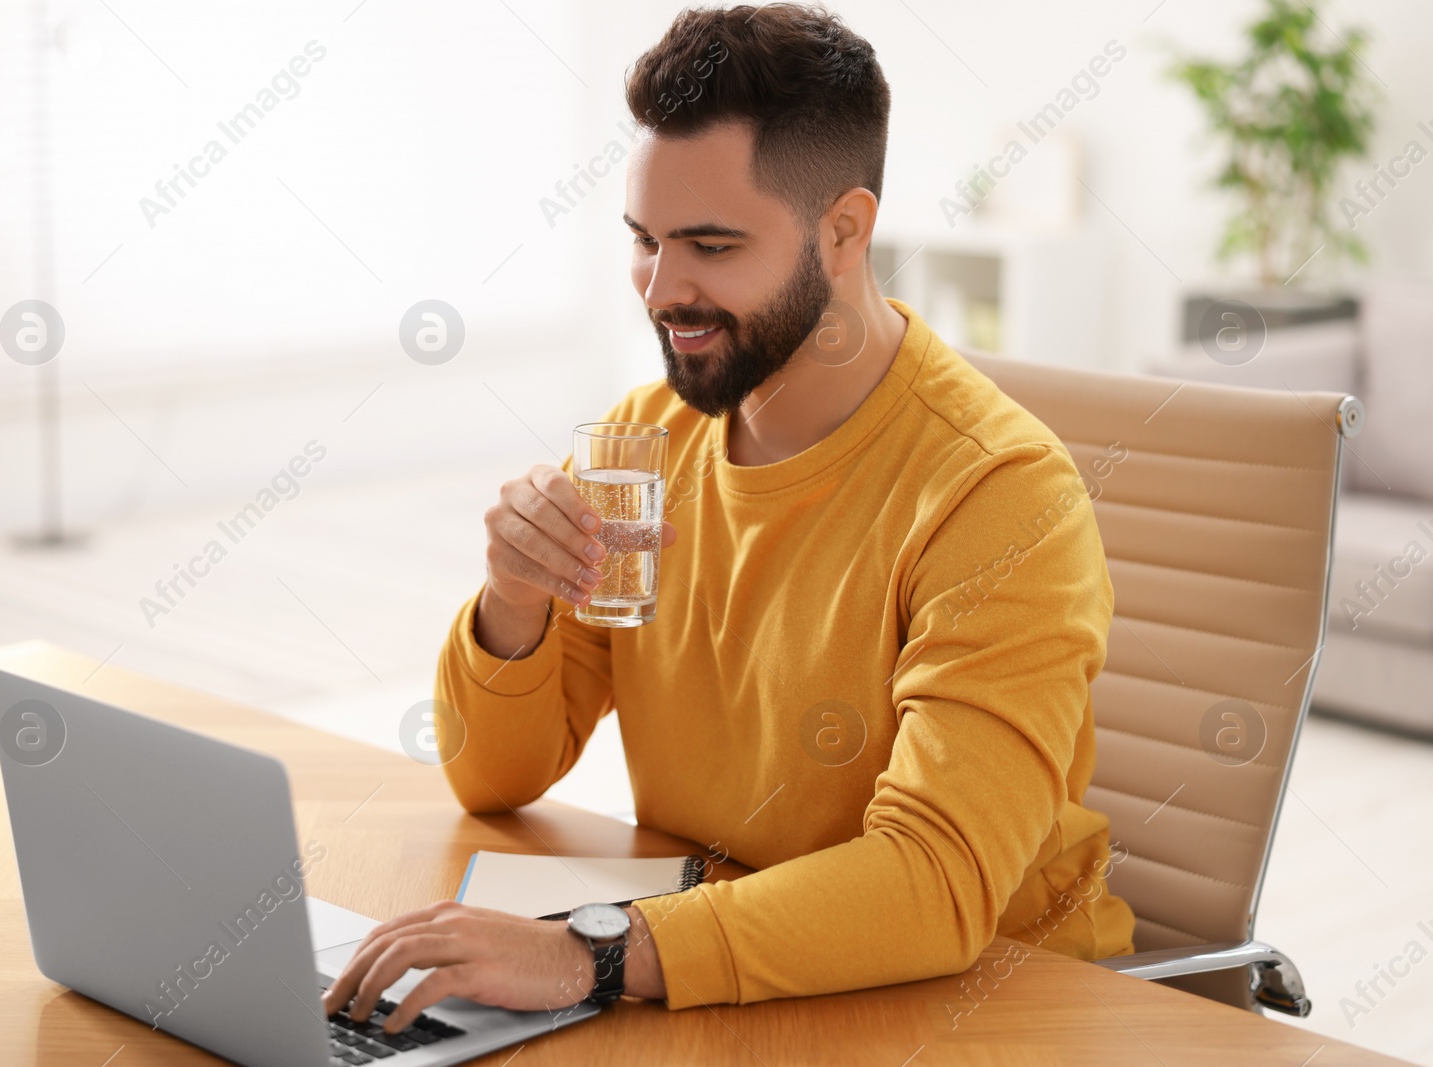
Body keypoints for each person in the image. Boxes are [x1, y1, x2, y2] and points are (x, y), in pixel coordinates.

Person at [324, 2, 1135, 1031]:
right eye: (643, 242)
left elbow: (935, 880)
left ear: (843, 229)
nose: (662, 290)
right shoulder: (644, 441)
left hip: (979, 1005)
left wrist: (592, 953)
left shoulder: (1000, 494)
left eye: (709, 244)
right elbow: (493, 775)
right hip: (724, 970)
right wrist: (512, 605)